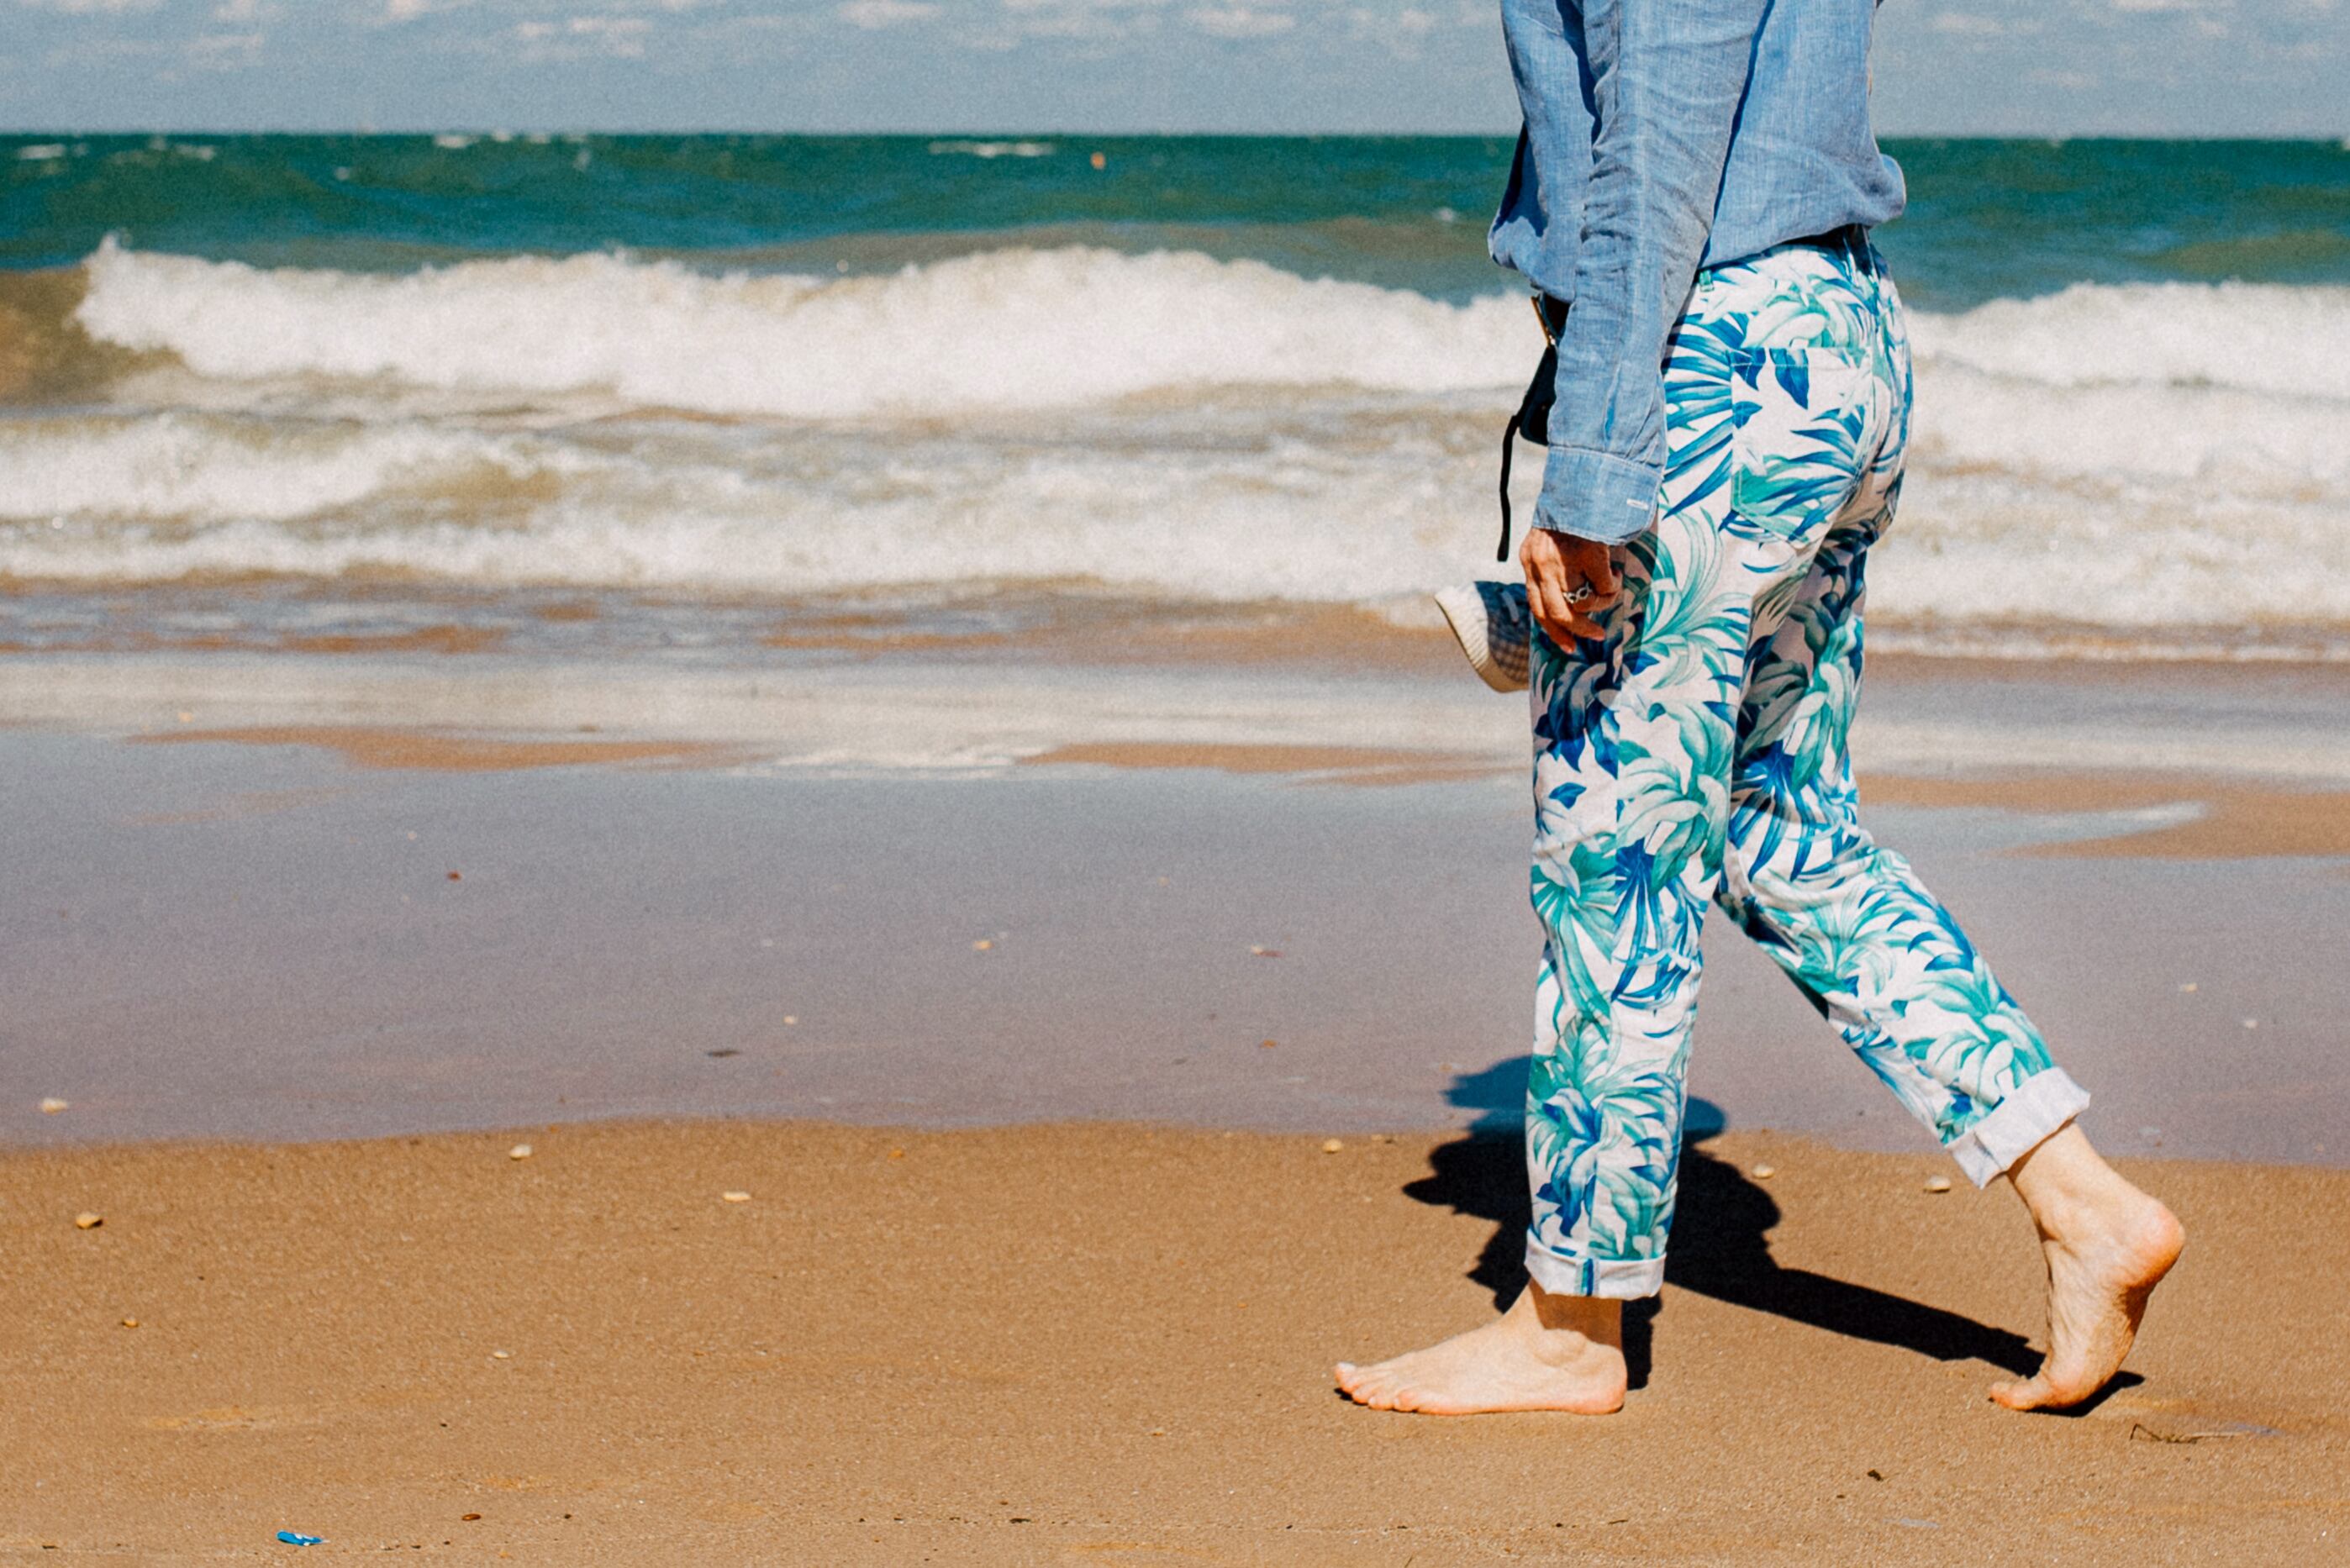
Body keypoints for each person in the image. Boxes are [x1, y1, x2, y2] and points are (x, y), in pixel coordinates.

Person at [1336, 0, 2183, 1416]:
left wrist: (1596, 466)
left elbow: (1657, 148)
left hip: (1720, 369)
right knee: (1787, 835)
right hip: (1831, 342)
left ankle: (1569, 1329)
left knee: (1617, 857)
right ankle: (2084, 1200)